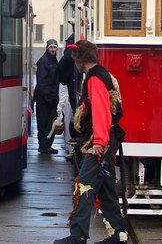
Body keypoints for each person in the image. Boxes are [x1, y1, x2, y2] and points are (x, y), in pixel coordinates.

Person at [54, 40, 128, 244]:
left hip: (97, 142)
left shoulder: (94, 79)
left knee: (84, 185)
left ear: (80, 59)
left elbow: (101, 111)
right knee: (106, 189)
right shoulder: (104, 74)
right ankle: (118, 235)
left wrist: (99, 142)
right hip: (106, 139)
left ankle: (77, 235)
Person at [34, 39, 60, 154]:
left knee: (49, 123)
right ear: (47, 48)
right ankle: (44, 146)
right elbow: (42, 81)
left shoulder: (53, 60)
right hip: (45, 99)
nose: (53, 49)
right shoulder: (44, 61)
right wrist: (49, 96)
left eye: (55, 47)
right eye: (51, 47)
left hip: (50, 98)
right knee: (44, 122)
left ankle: (46, 145)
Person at [57, 31, 79, 160]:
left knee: (71, 116)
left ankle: (72, 147)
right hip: (71, 86)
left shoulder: (71, 40)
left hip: (71, 86)